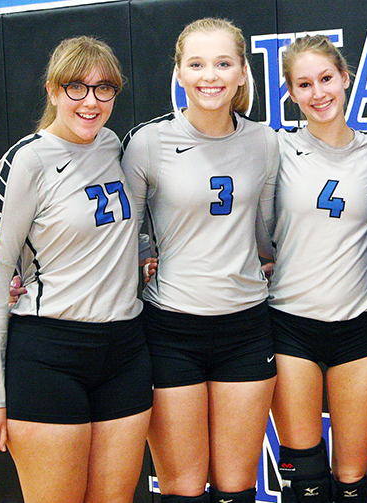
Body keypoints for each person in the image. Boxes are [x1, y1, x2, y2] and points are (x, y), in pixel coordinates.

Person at [0, 36, 153, 503]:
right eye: (76, 87)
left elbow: (133, 224)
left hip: (125, 353)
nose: (91, 101)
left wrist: (145, 255)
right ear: (52, 91)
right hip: (50, 354)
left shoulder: (116, 146)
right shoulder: (26, 161)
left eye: (104, 89)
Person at [120, 18, 279, 503]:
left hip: (246, 328)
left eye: (223, 63)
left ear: (242, 73)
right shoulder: (148, 141)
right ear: (180, 73)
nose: (210, 75)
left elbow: (267, 235)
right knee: (183, 489)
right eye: (197, 64)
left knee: (235, 488)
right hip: (170, 331)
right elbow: (122, 230)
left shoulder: (264, 140)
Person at [266, 35, 367, 503]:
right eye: (304, 84)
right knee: (304, 480)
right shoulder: (276, 149)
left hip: (358, 329)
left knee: (351, 481)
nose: (318, 92)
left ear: (345, 79)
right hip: (289, 326)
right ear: (290, 92)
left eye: (326, 79)